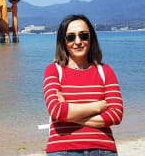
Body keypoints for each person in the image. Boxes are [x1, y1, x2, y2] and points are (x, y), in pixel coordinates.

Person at [43, 14, 123, 156]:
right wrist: (97, 106)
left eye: (83, 35)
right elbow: (56, 110)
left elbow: (115, 115)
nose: (78, 41)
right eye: (71, 37)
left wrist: (68, 113)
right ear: (63, 41)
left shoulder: (105, 71)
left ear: (91, 39)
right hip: (62, 150)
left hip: (103, 149)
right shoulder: (54, 70)